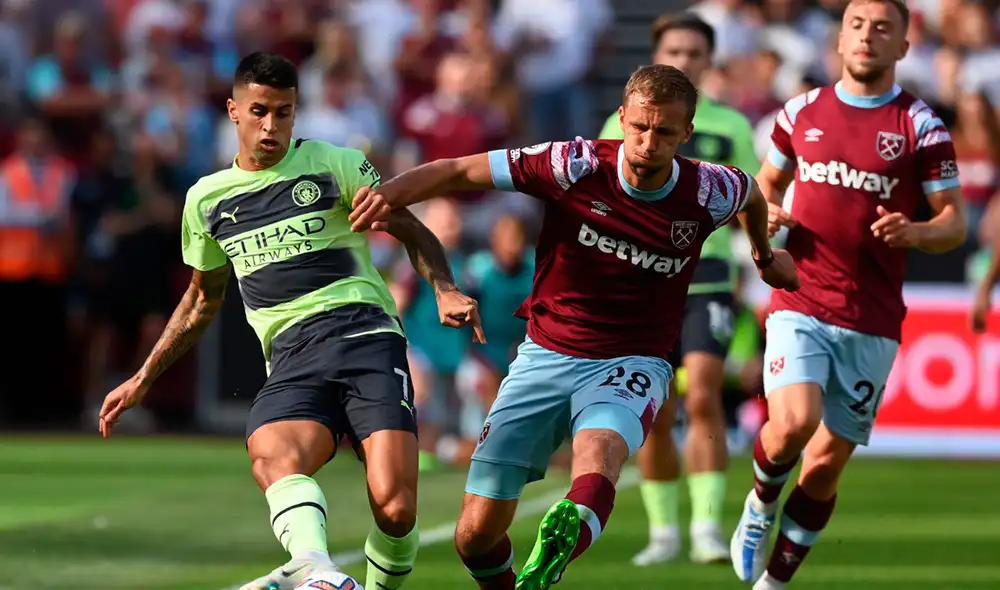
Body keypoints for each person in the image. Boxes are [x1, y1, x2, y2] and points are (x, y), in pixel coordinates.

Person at [349, 64, 800, 590]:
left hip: (634, 360)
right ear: (621, 118)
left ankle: (566, 533)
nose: (649, 142)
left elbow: (750, 195)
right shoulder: (573, 165)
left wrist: (765, 257)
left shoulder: (708, 189)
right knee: (474, 536)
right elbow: (454, 171)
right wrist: (386, 197)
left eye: (665, 132)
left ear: (686, 135)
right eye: (640, 127)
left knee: (599, 452)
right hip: (545, 353)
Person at [97, 52, 485, 590]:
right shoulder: (206, 200)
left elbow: (413, 232)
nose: (271, 125)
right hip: (293, 355)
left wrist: (443, 287)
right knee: (271, 452)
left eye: (284, 112)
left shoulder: (337, 164)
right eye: (259, 111)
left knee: (395, 511)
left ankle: (336, 576)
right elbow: (200, 299)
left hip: (365, 337)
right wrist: (144, 376)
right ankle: (315, 566)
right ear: (234, 111)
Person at [733, 1, 967, 588]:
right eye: (858, 26)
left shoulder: (920, 125)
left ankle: (775, 583)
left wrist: (916, 230)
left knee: (827, 462)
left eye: (883, 28)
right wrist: (769, 219)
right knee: (792, 423)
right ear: (839, 40)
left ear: (904, 48)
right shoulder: (800, 111)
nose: (868, 37)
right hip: (801, 297)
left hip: (873, 315)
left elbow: (955, 222)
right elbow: (764, 185)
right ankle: (759, 505)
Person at [598, 13, 760, 565]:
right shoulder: (621, 122)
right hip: (643, 276)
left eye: (695, 52)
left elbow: (751, 199)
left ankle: (707, 528)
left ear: (709, 61)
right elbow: (600, 199)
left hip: (708, 273)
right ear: (656, 54)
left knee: (705, 394)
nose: (685, 60)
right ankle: (665, 531)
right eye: (675, 50)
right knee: (654, 408)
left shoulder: (731, 126)